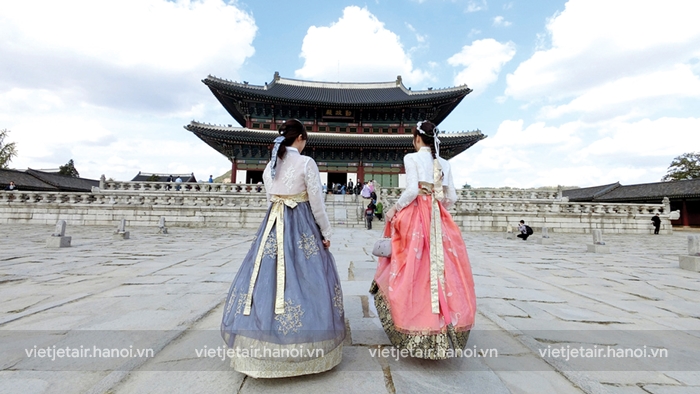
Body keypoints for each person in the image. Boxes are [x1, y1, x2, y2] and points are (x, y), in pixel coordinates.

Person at [221, 119, 345, 378]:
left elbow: (270, 197)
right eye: (305, 138)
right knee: (306, 278)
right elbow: (317, 203)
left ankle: (258, 343)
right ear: (300, 137)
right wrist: (325, 231)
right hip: (300, 223)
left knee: (265, 277)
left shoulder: (271, 165)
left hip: (273, 222)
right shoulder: (306, 162)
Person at [371, 120, 475, 360]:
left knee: (413, 269)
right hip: (439, 218)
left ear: (417, 138)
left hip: (416, 217)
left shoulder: (412, 158)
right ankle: (447, 325)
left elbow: (410, 191)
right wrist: (438, 207)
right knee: (445, 270)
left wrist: (394, 209)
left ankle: (415, 324)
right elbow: (452, 196)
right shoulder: (445, 164)